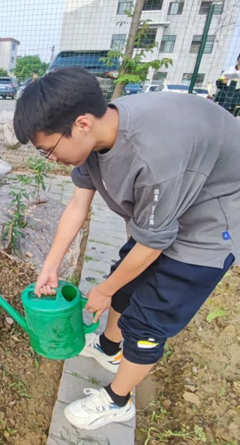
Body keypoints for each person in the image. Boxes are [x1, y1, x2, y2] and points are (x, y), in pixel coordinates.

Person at [13, 67, 239, 430]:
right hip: (163, 212)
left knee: (149, 319)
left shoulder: (155, 154)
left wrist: (103, 290)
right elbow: (78, 206)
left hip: (211, 222)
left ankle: (118, 400)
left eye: (48, 150)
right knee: (125, 282)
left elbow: (151, 243)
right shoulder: (97, 136)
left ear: (81, 124)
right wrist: (50, 266)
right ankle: (109, 348)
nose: (50, 159)